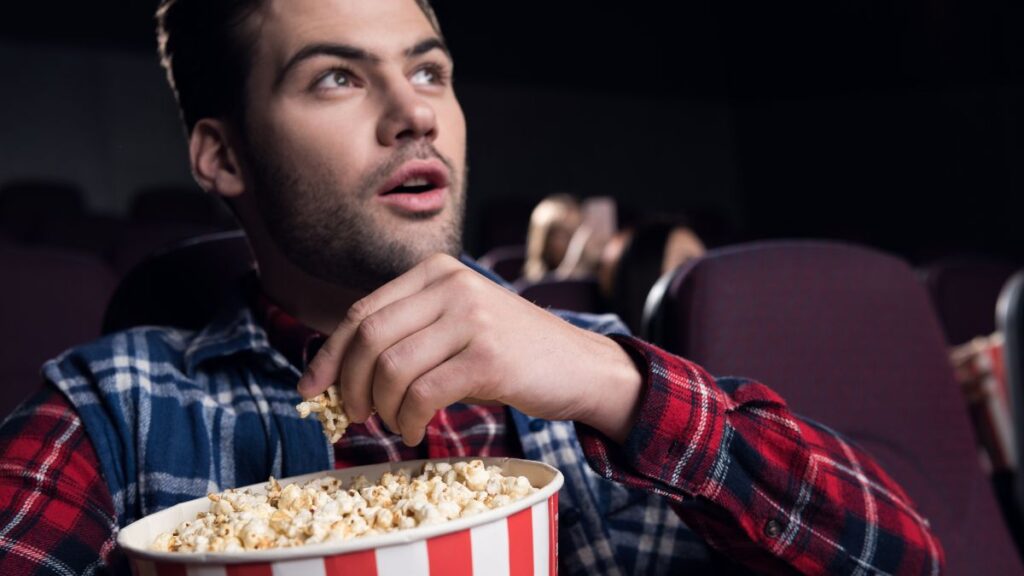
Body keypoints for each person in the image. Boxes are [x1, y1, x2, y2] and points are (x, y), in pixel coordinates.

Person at [0, 1, 944, 574]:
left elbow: (905, 558)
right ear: (223, 155)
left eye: (429, 70)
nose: (414, 112)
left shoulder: (598, 375)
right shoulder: (113, 411)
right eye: (336, 77)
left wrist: (615, 383)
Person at [523, 193, 583, 282]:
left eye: (575, 233)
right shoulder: (532, 287)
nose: (575, 242)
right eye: (563, 235)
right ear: (544, 240)